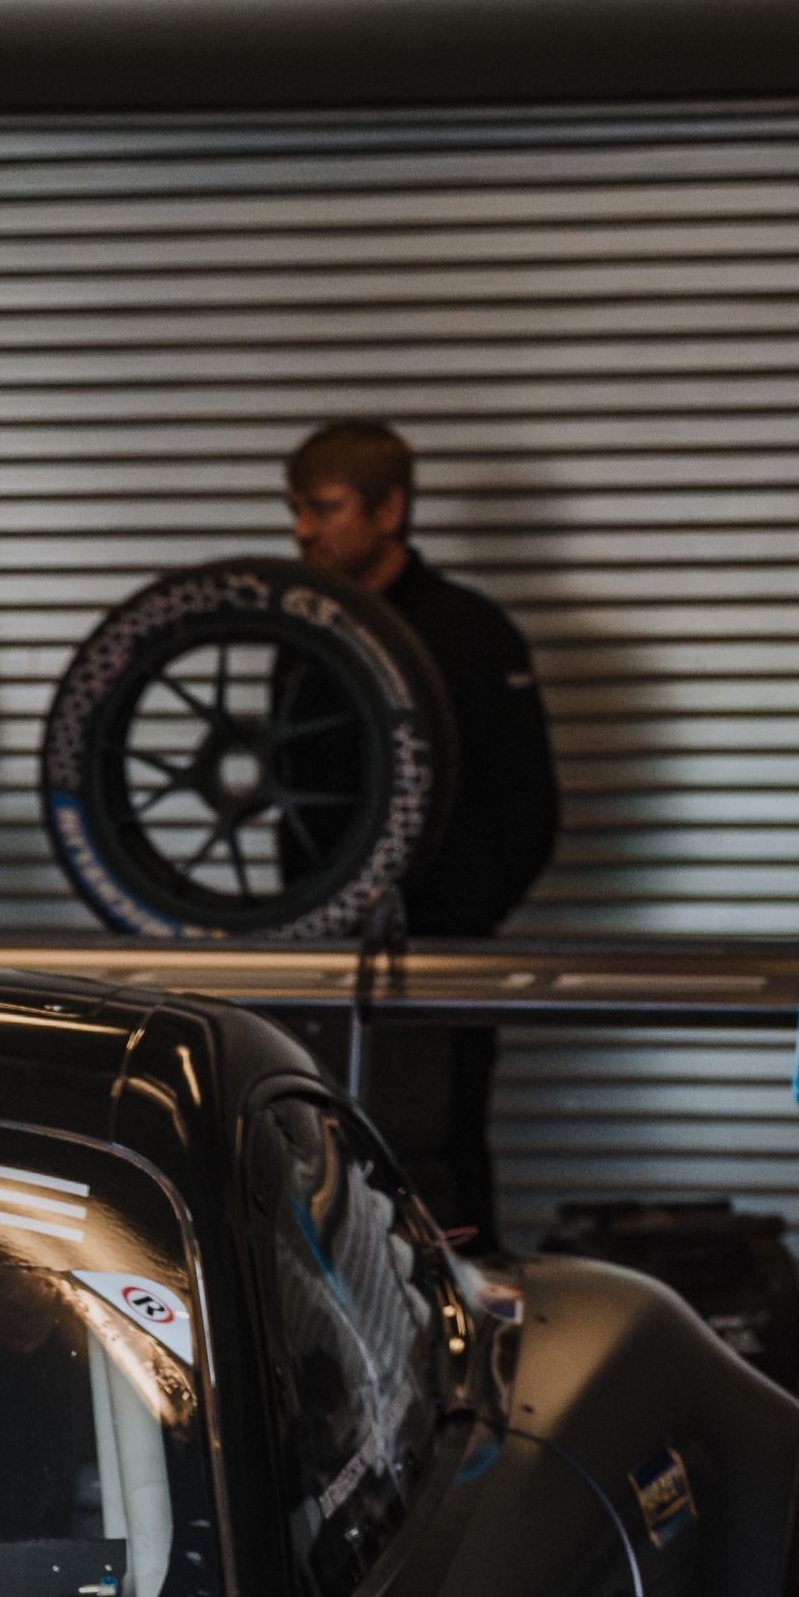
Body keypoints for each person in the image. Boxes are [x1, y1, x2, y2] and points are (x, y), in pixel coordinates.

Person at [284, 419, 559, 1243]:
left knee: (441, 1185)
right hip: (316, 969)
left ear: (391, 507)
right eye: (294, 507)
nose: (302, 529)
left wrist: (455, 930)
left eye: (323, 508)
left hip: (442, 966)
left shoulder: (472, 632)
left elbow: (530, 815)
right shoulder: (299, 627)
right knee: (319, 1183)